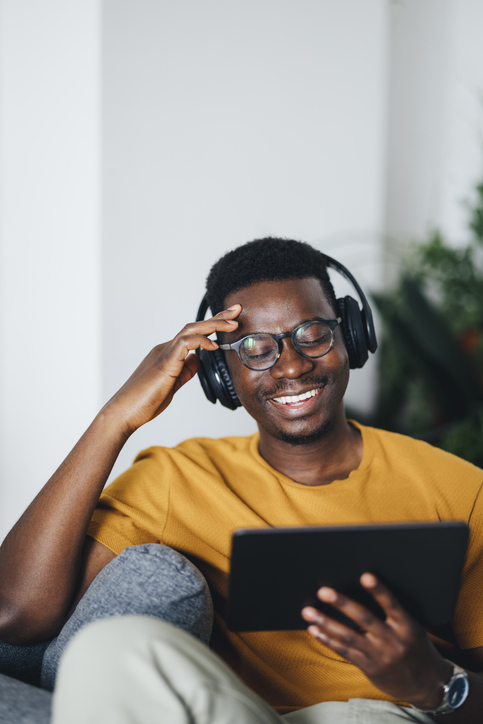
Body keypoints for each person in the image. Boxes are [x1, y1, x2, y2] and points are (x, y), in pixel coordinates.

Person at [0, 237, 482, 724]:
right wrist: (115, 420)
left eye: (312, 334)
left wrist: (434, 680)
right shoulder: (176, 480)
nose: (292, 367)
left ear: (350, 335)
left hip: (380, 714)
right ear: (221, 372)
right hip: (234, 714)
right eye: (255, 349)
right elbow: (16, 615)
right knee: (109, 644)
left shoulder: (460, 491)